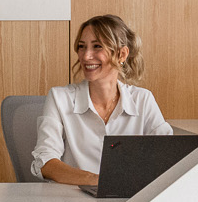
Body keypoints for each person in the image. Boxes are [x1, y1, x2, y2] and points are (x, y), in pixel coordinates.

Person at [31, 14, 173, 187]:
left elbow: (168, 157)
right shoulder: (59, 98)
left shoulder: (143, 99)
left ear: (122, 54)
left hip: (129, 198)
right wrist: (97, 181)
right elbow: (45, 162)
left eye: (97, 46)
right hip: (72, 198)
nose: (86, 56)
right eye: (82, 47)